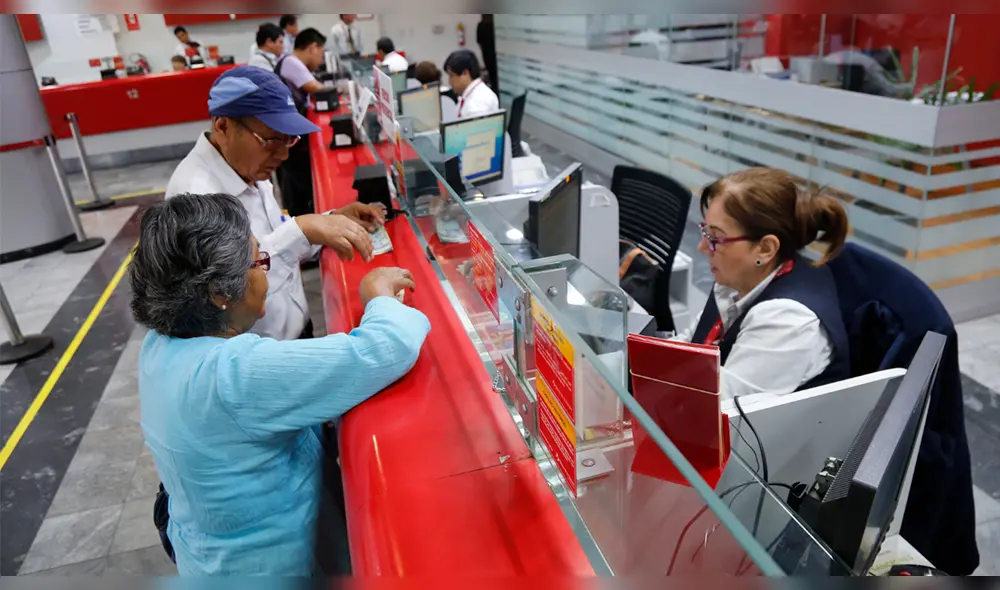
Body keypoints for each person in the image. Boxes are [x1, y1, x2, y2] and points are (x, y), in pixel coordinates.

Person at [131, 192, 430, 576]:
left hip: (206, 555)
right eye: (258, 262)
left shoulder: (160, 345)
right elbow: (387, 348)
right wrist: (379, 295)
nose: (266, 272)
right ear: (219, 294)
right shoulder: (234, 374)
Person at [166, 66, 384, 342]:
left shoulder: (245, 169)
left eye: (288, 140)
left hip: (293, 330)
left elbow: (274, 234)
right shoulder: (195, 198)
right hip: (261, 359)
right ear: (223, 126)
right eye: (270, 140)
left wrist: (330, 220)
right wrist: (302, 228)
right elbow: (233, 290)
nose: (282, 154)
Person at [676, 167, 851, 399]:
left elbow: (718, 410)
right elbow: (687, 346)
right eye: (706, 232)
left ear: (765, 248)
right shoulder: (740, 277)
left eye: (716, 237)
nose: (702, 247)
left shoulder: (787, 322)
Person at [274, 28, 328, 217]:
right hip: (291, 144)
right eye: (321, 54)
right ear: (313, 47)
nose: (321, 60)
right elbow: (316, 88)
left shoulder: (291, 61)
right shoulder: (291, 62)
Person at [444, 49, 499, 118]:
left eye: (451, 76)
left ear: (465, 73)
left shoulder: (476, 105)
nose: (449, 82)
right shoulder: (471, 94)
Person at [476, 14, 498, 94]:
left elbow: (480, 43)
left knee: (493, 81)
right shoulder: (495, 25)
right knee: (496, 81)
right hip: (496, 58)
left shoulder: (481, 26)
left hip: (487, 57)